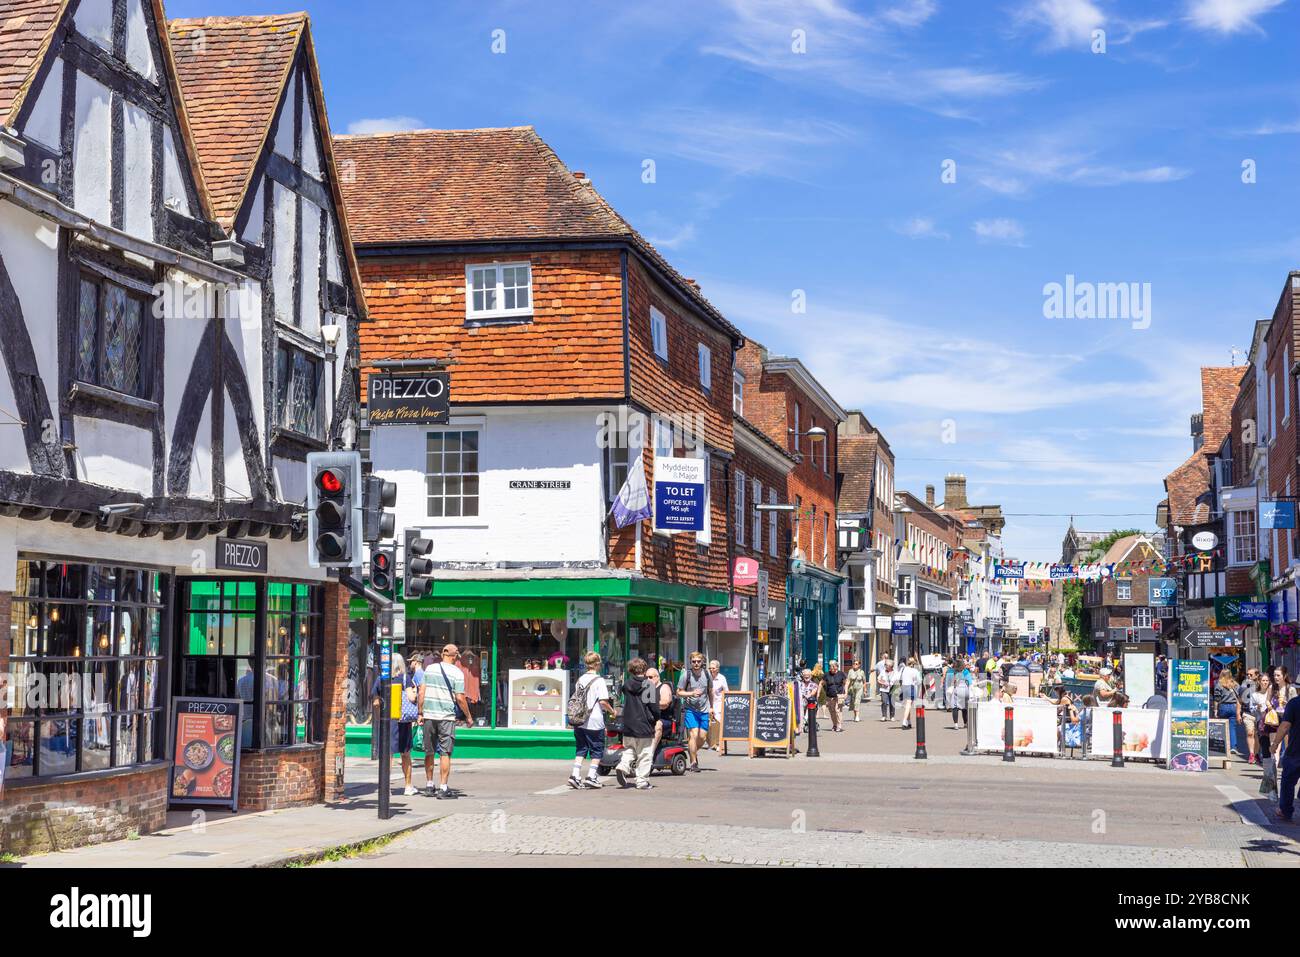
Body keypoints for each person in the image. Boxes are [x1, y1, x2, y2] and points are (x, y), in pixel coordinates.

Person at [417, 643, 474, 799]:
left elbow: (421, 692)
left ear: (443, 654)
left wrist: (420, 712)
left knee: (429, 752)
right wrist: (468, 716)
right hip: (446, 718)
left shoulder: (429, 669)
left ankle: (429, 785)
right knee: (445, 753)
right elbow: (460, 698)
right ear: (455, 657)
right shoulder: (457, 672)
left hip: (429, 716)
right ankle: (443, 787)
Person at [371, 652, 423, 797]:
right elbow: (411, 698)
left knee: (388, 755)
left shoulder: (381, 679)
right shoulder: (405, 678)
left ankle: (385, 787)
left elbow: (375, 702)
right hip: (402, 721)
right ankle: (408, 786)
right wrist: (416, 692)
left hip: (387, 722)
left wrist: (380, 716)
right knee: (405, 754)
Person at [568, 651, 616, 789]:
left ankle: (575, 775)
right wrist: (612, 711)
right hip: (594, 720)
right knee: (597, 749)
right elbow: (603, 702)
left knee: (581, 748)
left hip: (579, 720)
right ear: (597, 664)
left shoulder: (580, 679)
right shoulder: (599, 680)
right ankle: (591, 776)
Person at [615, 657, 657, 790]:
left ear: (631, 670)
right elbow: (653, 706)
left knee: (629, 749)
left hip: (628, 723)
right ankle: (642, 781)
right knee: (645, 754)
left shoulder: (627, 684)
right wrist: (655, 718)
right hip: (644, 723)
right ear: (644, 669)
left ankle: (623, 766)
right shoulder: (649, 685)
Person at [676, 652, 713, 771]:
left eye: (698, 661)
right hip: (690, 709)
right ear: (690, 662)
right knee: (693, 734)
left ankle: (693, 752)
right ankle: (693, 762)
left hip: (704, 709)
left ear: (702, 662)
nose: (696, 663)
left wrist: (712, 707)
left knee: (702, 737)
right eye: (693, 661)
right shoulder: (685, 675)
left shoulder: (707, 674)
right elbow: (678, 692)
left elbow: (710, 692)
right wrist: (691, 693)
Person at [1270, 685, 1300, 822]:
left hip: (1296, 750)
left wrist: (1275, 743)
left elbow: (1285, 726)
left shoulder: (1294, 703)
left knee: (1288, 781)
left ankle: (1285, 811)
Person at [648, 666, 675, 755]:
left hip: (664, 719)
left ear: (657, 677)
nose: (648, 679)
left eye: (650, 677)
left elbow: (665, 703)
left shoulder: (664, 687)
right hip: (648, 717)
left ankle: (650, 753)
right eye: (646, 677)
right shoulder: (646, 689)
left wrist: (649, 704)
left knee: (658, 724)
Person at [1240, 668, 1262, 765]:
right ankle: (1251, 754)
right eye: (1247, 674)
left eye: (1251, 674)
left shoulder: (1261, 685)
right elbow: (1239, 700)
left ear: (1257, 675)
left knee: (1257, 735)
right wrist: (1238, 713)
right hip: (1247, 713)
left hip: (1259, 714)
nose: (1248, 676)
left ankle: (1257, 753)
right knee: (1250, 733)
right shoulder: (1244, 685)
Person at [706, 659, 729, 750]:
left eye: (713, 668)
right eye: (710, 668)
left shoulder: (722, 678)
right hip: (708, 703)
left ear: (718, 669)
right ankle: (711, 743)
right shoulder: (707, 677)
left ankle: (718, 743)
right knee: (708, 724)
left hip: (719, 703)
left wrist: (725, 704)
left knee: (718, 723)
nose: (711, 670)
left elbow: (726, 691)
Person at [898, 656, 922, 729]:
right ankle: (904, 722)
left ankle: (909, 722)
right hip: (911, 687)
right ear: (914, 664)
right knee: (908, 705)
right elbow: (919, 681)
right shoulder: (915, 671)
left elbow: (900, 677)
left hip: (904, 687)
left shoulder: (904, 669)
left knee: (907, 705)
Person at [823, 660, 847, 732]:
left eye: (833, 666)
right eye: (830, 666)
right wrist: (819, 693)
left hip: (839, 695)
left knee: (837, 710)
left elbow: (846, 683)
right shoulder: (827, 674)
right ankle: (834, 724)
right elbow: (822, 683)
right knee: (832, 711)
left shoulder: (841, 674)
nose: (832, 667)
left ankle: (839, 725)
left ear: (837, 666)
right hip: (829, 696)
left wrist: (846, 692)